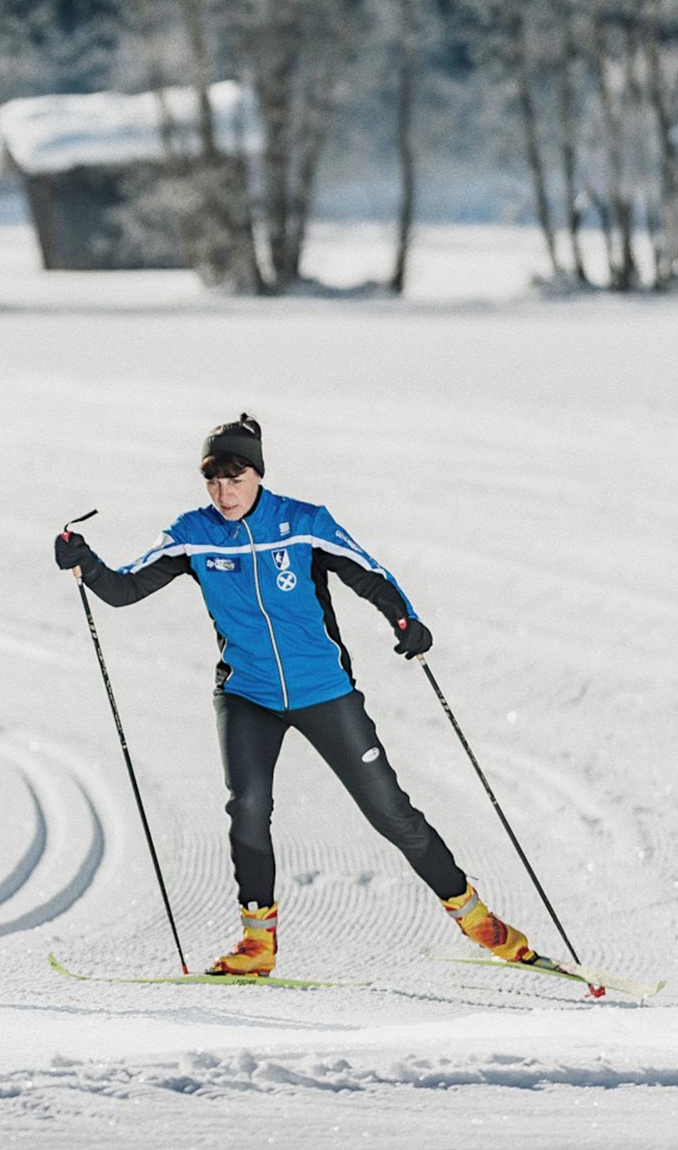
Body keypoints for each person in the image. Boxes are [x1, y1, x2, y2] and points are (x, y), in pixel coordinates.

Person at [53, 414, 533, 978]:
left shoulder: (302, 523)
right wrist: (85, 562)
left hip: (324, 691)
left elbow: (369, 573)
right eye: (213, 481)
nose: (223, 492)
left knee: (391, 813)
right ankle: (258, 945)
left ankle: (478, 919)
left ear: (258, 475)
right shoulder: (192, 533)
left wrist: (404, 619)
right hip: (247, 694)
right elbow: (126, 588)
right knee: (248, 808)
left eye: (235, 478)